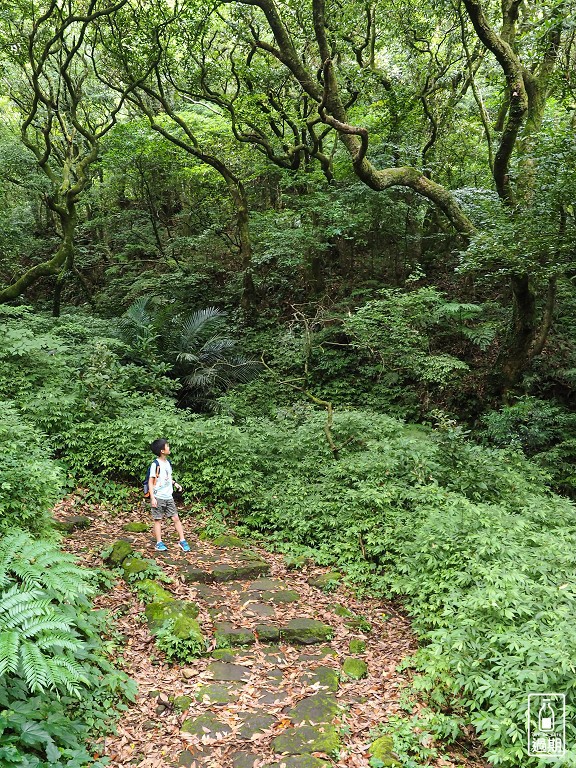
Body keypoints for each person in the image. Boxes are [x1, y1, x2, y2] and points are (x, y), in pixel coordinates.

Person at [148, 438, 190, 552]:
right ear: (162, 450)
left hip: (168, 497)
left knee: (176, 518)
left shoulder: (168, 463)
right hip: (158, 496)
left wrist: (175, 484)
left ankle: (182, 540)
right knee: (158, 520)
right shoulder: (155, 464)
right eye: (167, 446)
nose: (169, 448)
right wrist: (152, 498)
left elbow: (167, 478)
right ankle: (159, 543)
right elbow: (150, 482)